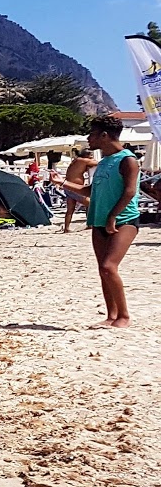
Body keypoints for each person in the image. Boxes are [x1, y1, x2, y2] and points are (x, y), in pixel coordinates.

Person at [87, 114, 141, 328]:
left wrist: (113, 217)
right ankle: (111, 316)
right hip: (99, 220)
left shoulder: (128, 159)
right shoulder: (102, 163)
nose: (88, 139)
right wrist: (63, 183)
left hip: (124, 219)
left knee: (110, 267)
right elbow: (90, 191)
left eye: (91, 134)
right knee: (103, 269)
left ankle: (124, 316)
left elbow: (129, 192)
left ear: (104, 135)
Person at [53, 149, 97, 234]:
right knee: (91, 203)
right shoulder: (82, 160)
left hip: (68, 187)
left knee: (70, 209)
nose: (92, 157)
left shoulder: (76, 161)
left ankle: (67, 228)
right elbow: (99, 163)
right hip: (74, 188)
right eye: (91, 156)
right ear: (87, 155)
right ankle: (92, 223)